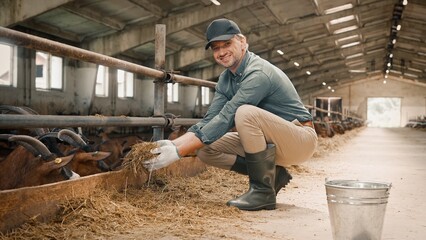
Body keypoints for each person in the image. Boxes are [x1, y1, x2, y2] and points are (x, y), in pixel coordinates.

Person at [143, 18, 318, 211]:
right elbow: (211, 119)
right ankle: (272, 177)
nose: (222, 52)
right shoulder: (226, 79)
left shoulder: (258, 72)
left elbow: (228, 115)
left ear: (242, 42)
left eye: (227, 44)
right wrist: (175, 144)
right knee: (205, 148)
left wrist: (179, 152)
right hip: (272, 141)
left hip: (300, 138)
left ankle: (262, 192)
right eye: (216, 48)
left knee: (244, 113)